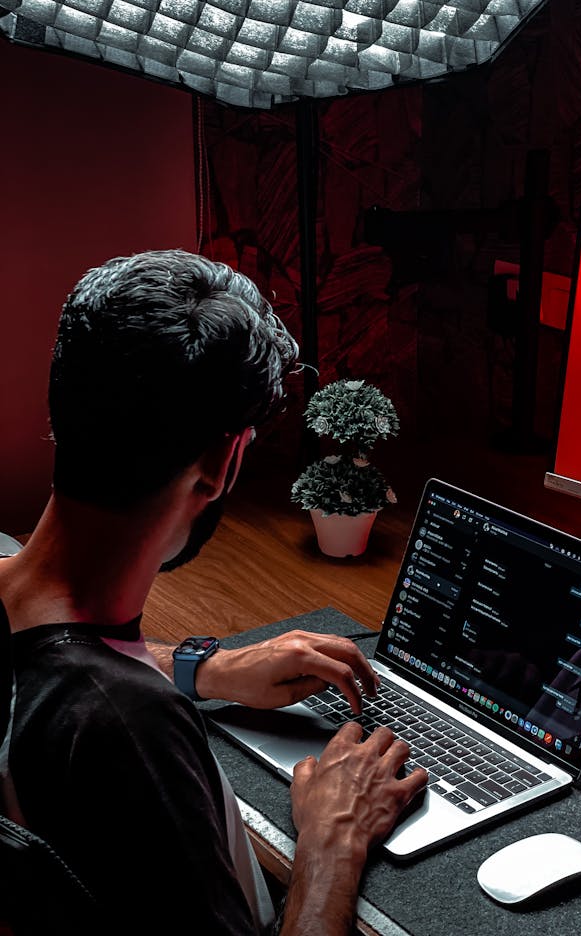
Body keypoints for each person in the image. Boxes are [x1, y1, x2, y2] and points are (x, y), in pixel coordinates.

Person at [0, 250, 427, 934]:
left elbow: (56, 660)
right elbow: (93, 695)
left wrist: (208, 667)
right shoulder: (127, 729)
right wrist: (333, 842)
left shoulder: (10, 577)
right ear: (222, 463)